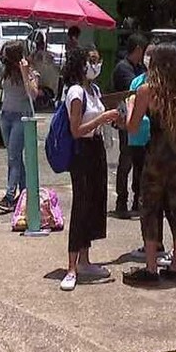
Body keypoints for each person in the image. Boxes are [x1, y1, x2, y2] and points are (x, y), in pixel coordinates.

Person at [122, 45, 176, 287]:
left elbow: (132, 126)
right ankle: (175, 265)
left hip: (156, 157)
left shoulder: (147, 91)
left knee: (150, 208)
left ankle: (151, 266)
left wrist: (130, 105)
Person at [59, 47, 121, 292]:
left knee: (95, 202)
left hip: (96, 148)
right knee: (81, 204)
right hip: (81, 151)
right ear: (82, 64)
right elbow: (76, 130)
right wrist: (103, 118)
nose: (97, 65)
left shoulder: (94, 90)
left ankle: (85, 260)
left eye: (98, 60)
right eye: (92, 61)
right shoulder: (75, 92)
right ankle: (72, 266)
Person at [0, 41, 40, 213]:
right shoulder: (7, 72)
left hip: (21, 117)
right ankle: (24, 194)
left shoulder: (30, 73)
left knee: (13, 158)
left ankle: (9, 196)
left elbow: (33, 95)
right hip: (6, 116)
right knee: (15, 158)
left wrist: (24, 72)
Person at [112, 34, 148, 217]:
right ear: (138, 49)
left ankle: (137, 200)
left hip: (142, 124)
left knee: (140, 162)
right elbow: (134, 92)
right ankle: (121, 201)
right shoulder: (123, 69)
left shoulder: (140, 68)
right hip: (127, 121)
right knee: (126, 162)